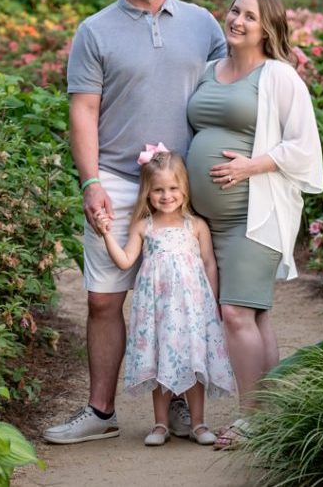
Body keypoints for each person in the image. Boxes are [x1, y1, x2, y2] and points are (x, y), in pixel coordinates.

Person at [43, 0, 226, 445]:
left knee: (183, 297)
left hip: (182, 190)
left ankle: (181, 409)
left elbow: (232, 85)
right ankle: (101, 412)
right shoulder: (96, 31)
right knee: (104, 300)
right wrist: (90, 182)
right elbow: (83, 111)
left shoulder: (203, 23)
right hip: (120, 182)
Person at [185, 0, 323, 449]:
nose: (236, 20)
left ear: (267, 28)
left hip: (255, 214)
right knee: (255, 314)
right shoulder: (208, 70)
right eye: (234, 10)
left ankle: (250, 420)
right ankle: (272, 412)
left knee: (236, 312)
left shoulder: (279, 77)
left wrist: (251, 165)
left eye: (249, 16)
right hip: (208, 221)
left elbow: (305, 147)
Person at [96, 150, 235, 446]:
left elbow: (209, 263)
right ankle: (160, 424)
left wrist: (213, 301)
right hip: (156, 311)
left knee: (194, 361)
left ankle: (198, 424)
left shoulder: (196, 226)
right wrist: (106, 233)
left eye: (173, 188)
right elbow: (124, 260)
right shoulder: (143, 227)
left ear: (184, 188)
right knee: (159, 361)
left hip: (192, 309)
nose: (166, 195)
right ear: (147, 192)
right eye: (158, 189)